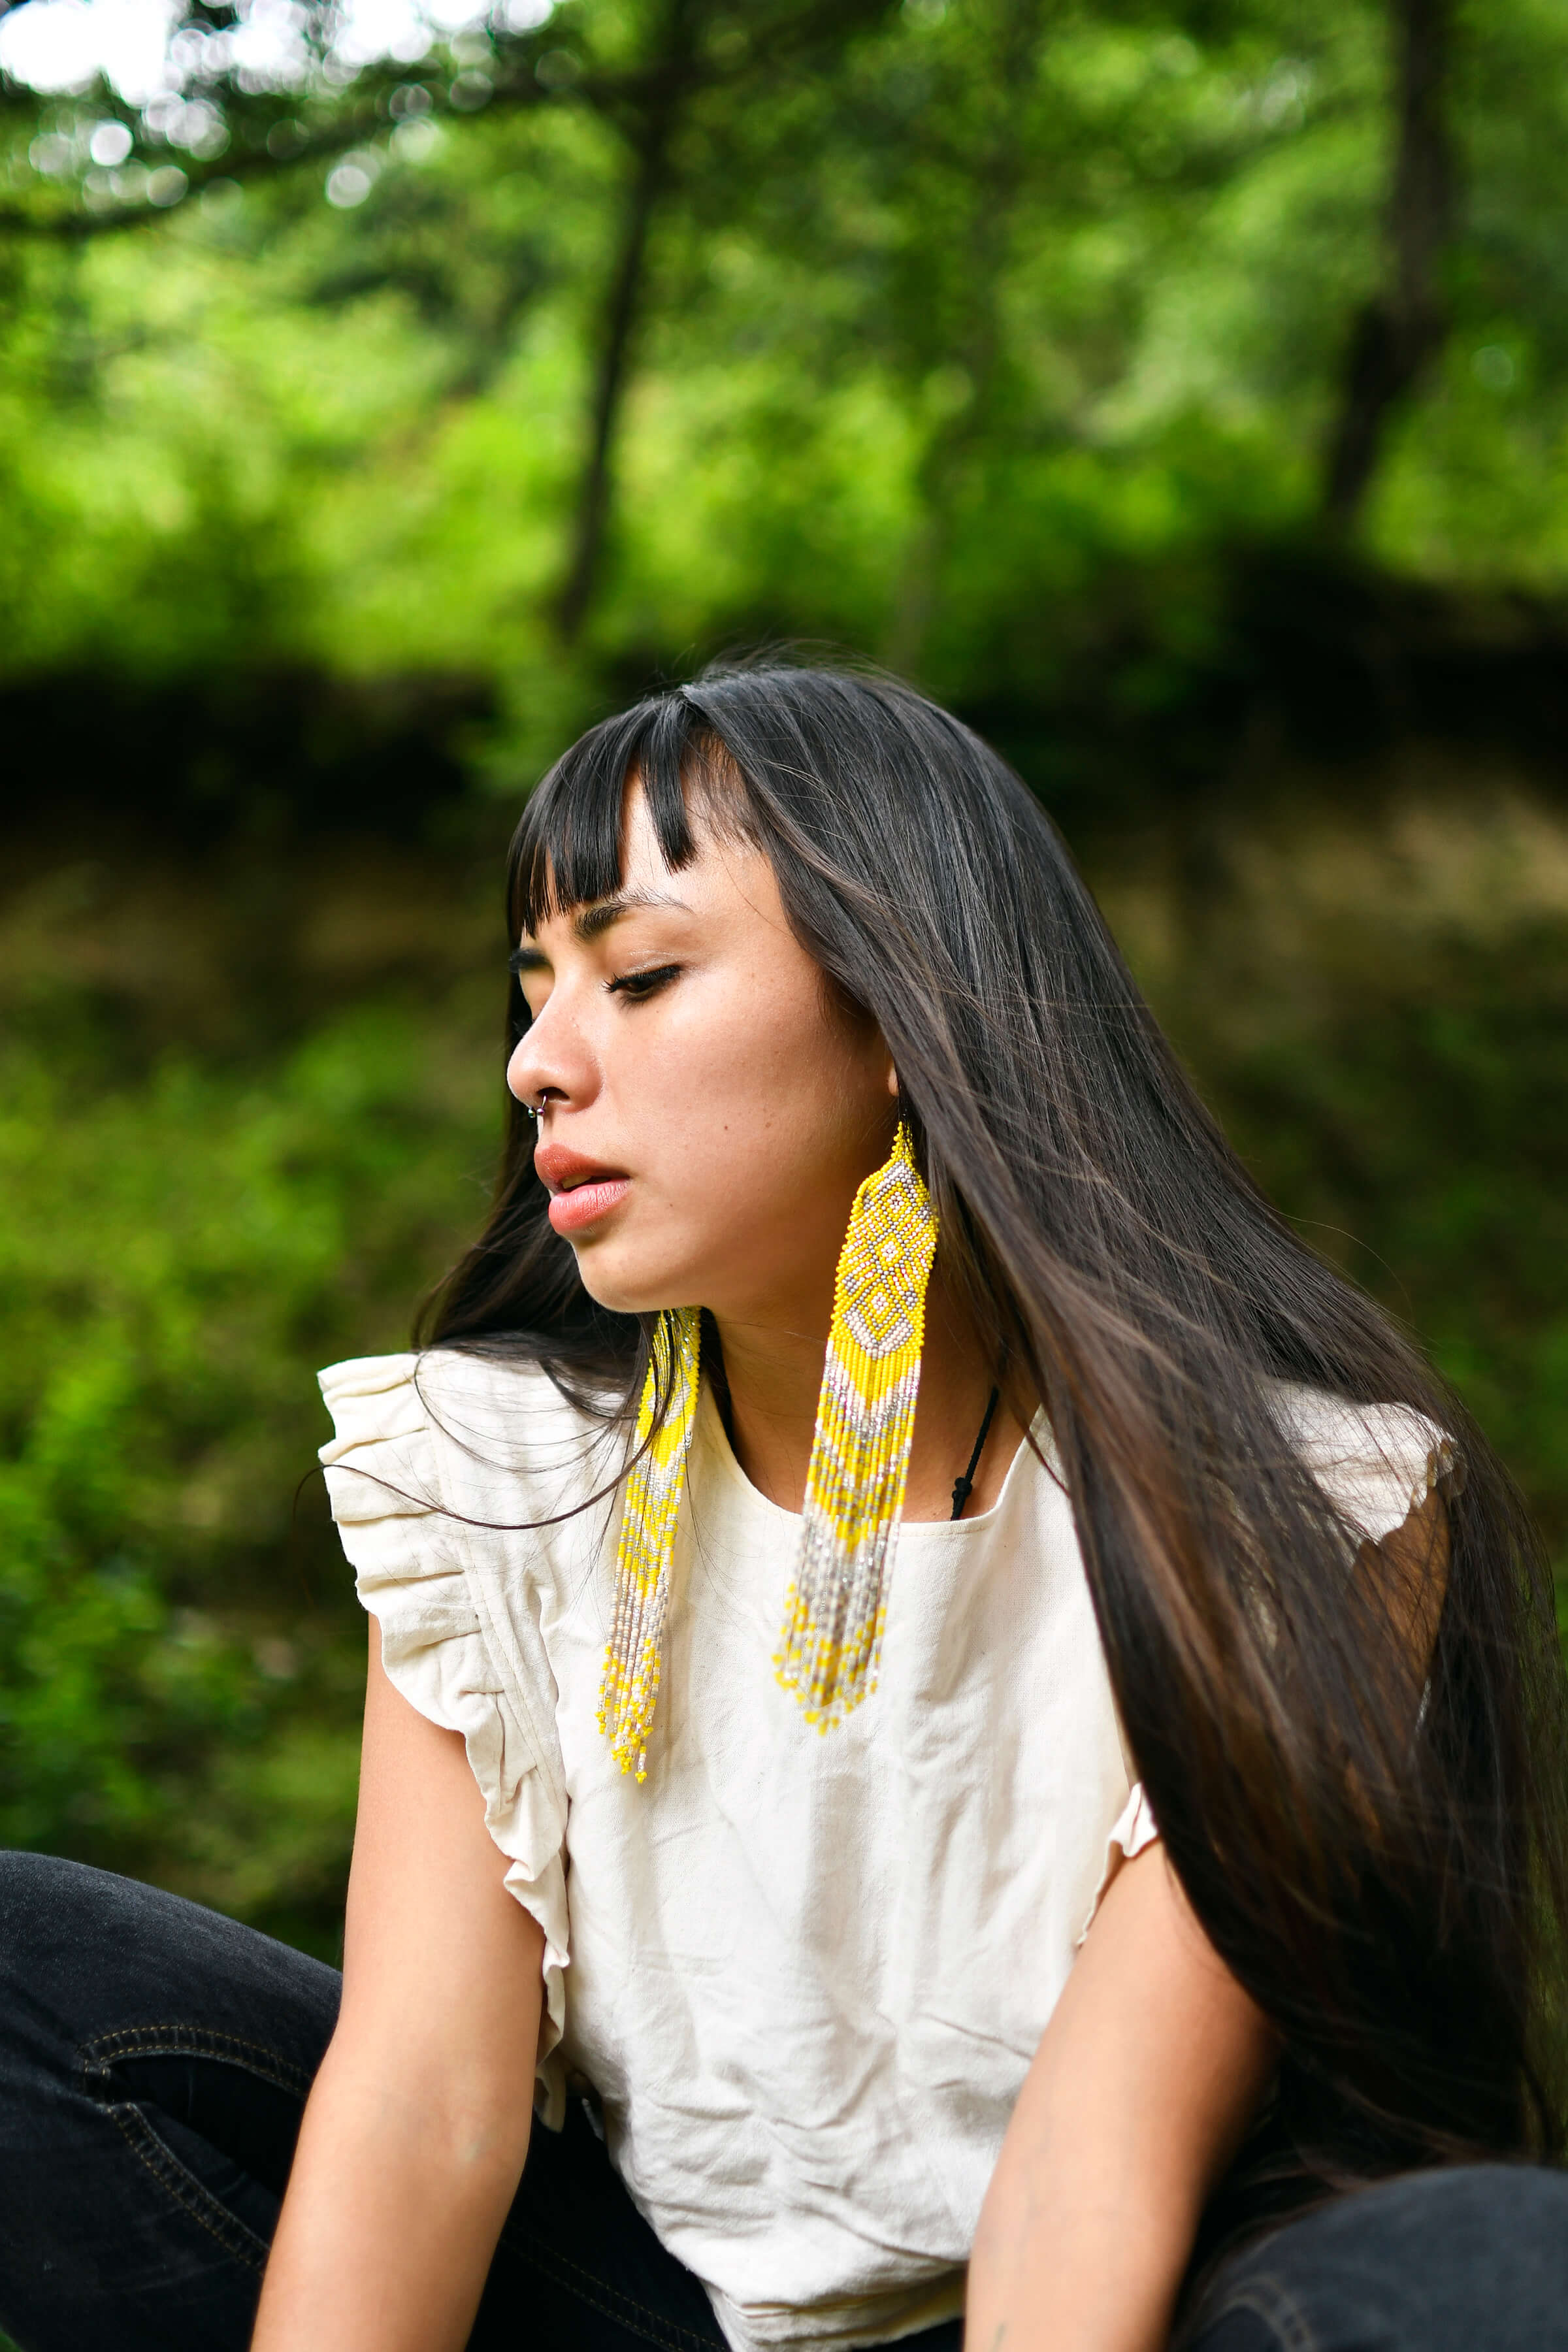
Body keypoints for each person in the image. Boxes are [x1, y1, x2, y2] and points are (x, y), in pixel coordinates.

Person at [2, 661, 1567, 2352]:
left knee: (1481, 2261)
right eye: (533, 992)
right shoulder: (494, 1484)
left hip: (1130, 2306)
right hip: (675, 2314)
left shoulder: (1296, 1510)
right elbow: (422, 2114)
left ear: (903, 1017)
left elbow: (1094, 2162)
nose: (537, 1062)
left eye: (642, 974)